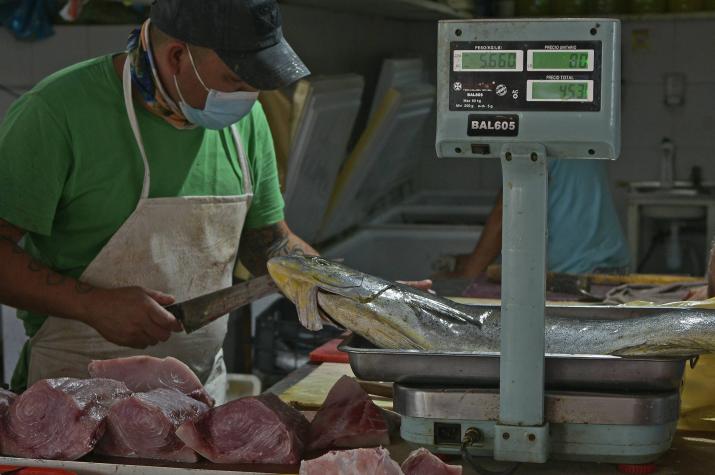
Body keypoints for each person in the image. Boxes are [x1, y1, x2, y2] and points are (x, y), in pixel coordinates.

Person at [0, 0, 323, 400]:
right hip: (71, 403)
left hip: (197, 401)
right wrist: (93, 305)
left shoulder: (246, 124)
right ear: (176, 57)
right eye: (237, 80)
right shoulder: (56, 113)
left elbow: (267, 243)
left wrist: (355, 294)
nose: (249, 98)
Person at [448, 160, 631, 279]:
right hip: (610, 265)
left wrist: (466, 279)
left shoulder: (533, 135)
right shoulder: (573, 129)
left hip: (580, 274)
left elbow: (505, 215)